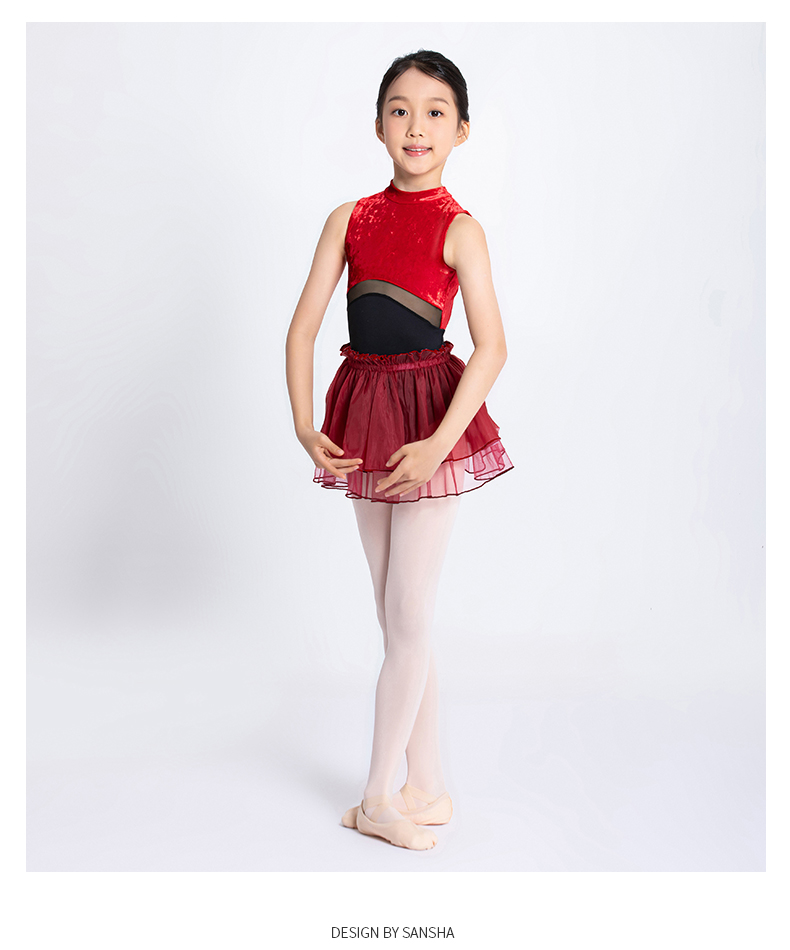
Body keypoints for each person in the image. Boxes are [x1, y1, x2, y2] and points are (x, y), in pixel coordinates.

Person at [285, 49, 513, 851]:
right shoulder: (349, 218)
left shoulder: (461, 229)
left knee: (408, 612)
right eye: (400, 110)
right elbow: (303, 329)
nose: (416, 126)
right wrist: (304, 423)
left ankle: (378, 796)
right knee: (397, 614)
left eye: (435, 112)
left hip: (429, 422)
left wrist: (438, 446)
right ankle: (430, 786)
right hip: (364, 415)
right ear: (379, 124)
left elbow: (491, 347)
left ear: (462, 130)